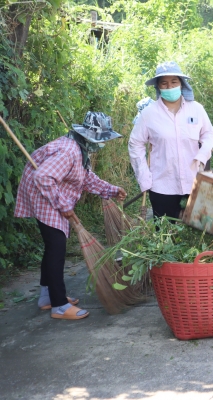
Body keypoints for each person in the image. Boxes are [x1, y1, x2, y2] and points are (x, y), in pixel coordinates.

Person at [14, 111, 127, 320]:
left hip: (50, 193)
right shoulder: (69, 152)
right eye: (101, 139)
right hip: (44, 195)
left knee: (53, 247)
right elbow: (43, 177)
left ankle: (47, 297)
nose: (102, 144)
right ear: (89, 136)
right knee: (57, 248)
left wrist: (111, 190)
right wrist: (62, 204)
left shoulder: (81, 150)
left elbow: (86, 179)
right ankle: (59, 305)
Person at [129, 61, 213, 220]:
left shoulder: (196, 109)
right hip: (162, 186)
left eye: (174, 82)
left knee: (194, 230)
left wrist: (202, 156)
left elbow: (208, 134)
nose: (169, 87)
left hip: (194, 182)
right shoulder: (149, 114)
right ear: (158, 86)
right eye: (164, 83)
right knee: (165, 232)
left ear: (181, 84)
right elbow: (135, 144)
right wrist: (144, 176)